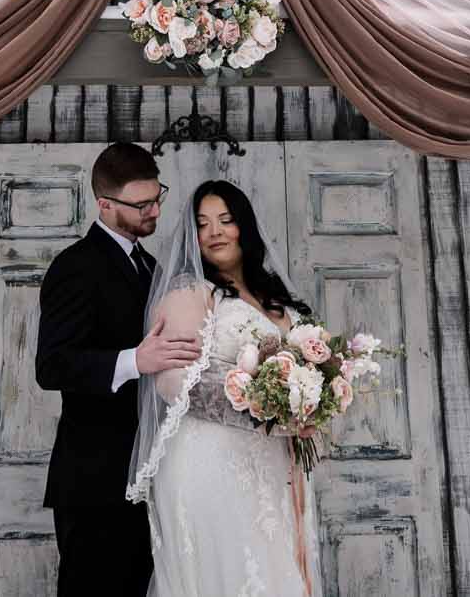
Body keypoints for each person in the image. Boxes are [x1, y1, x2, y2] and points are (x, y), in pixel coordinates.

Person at [126, 178, 318, 597]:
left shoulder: (276, 298)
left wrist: (316, 400)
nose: (214, 232)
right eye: (202, 224)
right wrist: (264, 409)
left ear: (244, 226)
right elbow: (173, 381)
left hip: (273, 463)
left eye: (226, 220)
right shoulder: (190, 292)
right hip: (212, 461)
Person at [36, 142, 200, 597]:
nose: (154, 211)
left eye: (157, 198)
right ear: (104, 204)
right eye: (141, 204)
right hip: (94, 481)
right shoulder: (75, 266)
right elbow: (52, 365)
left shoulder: (150, 266)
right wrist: (134, 360)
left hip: (146, 473)